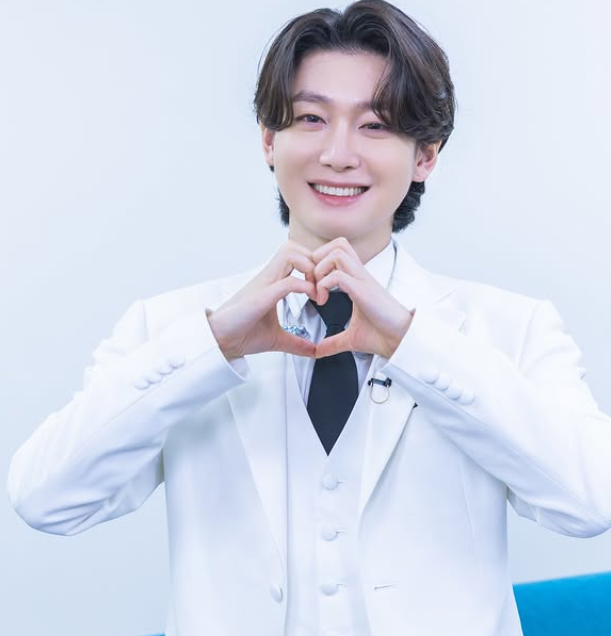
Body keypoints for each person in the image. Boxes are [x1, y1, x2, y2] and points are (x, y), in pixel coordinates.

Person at [7, 1, 611, 635]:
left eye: (376, 125)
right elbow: (45, 499)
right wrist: (212, 345)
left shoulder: (512, 328)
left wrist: (415, 344)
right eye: (311, 119)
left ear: (426, 155)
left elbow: (591, 502)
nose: (338, 153)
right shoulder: (171, 327)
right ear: (270, 141)